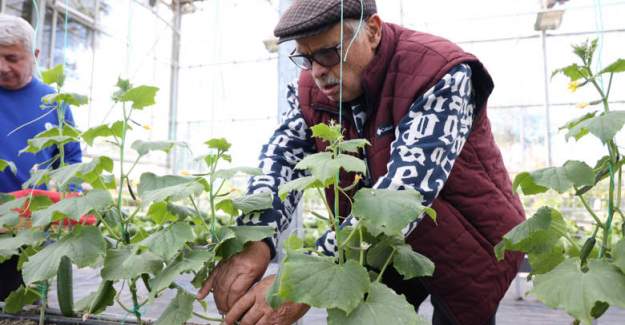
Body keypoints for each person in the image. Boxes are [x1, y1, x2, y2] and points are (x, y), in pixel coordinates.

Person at [197, 1, 525, 324]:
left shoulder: (441, 72)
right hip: (378, 245)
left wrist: (307, 279)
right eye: (306, 58)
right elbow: (283, 154)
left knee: (460, 312)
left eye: (328, 52)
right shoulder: (312, 87)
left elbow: (403, 193)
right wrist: (256, 236)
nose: (318, 71)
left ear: (373, 31)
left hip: (468, 236)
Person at [0, 13, 82, 300]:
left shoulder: (55, 104)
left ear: (34, 55)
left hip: (29, 231)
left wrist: (69, 204)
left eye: (12, 58)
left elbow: (71, 162)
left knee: (19, 307)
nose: (2, 67)